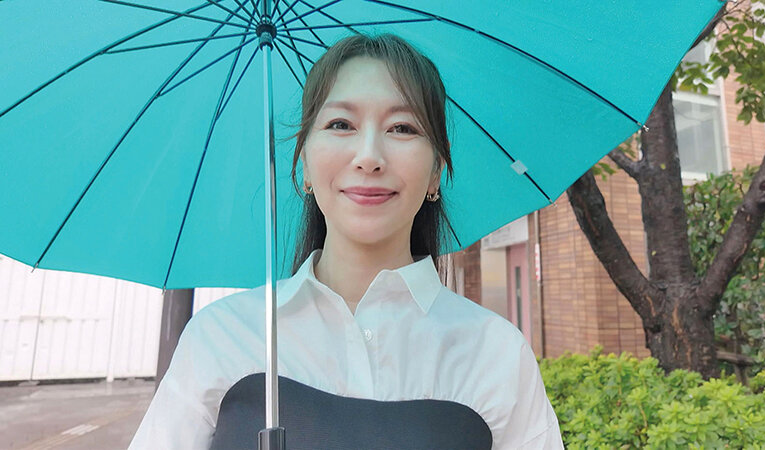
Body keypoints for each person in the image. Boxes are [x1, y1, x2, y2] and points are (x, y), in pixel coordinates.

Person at [130, 34, 563, 449]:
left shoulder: (496, 355)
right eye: (341, 124)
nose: (369, 156)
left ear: (436, 170)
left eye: (402, 127)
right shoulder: (222, 338)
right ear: (303, 163)